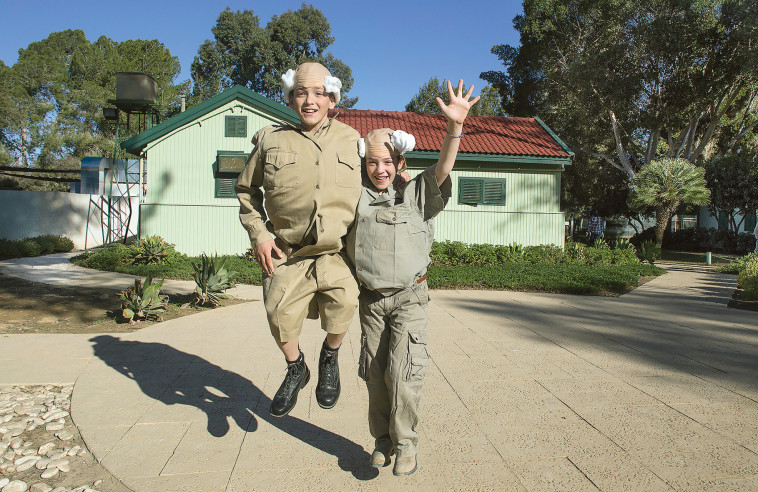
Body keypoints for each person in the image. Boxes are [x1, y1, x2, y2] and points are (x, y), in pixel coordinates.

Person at [346, 79, 479, 476]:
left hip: (410, 298)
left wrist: (454, 126)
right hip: (371, 301)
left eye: (387, 162)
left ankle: (406, 445)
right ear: (363, 164)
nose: (380, 168)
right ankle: (382, 441)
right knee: (374, 375)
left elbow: (444, 166)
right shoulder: (355, 197)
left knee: (404, 374)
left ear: (400, 163)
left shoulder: (418, 194)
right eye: (372, 162)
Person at [235, 62, 361, 418]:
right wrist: (259, 235)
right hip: (286, 251)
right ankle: (297, 368)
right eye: (301, 93)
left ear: (332, 99)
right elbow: (246, 190)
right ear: (290, 99)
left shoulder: (352, 140)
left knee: (346, 303)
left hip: (336, 252)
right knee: (278, 316)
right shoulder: (271, 140)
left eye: (319, 93)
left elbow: (381, 174)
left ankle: (330, 356)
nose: (310, 100)